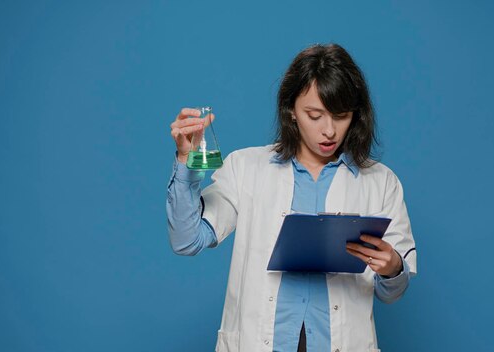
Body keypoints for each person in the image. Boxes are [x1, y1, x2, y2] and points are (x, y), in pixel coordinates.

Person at [166, 43, 417, 352]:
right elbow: (186, 239)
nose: (329, 131)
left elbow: (392, 292)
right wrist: (185, 162)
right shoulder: (246, 168)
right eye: (315, 115)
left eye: (341, 116)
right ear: (291, 111)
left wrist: (392, 266)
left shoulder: (381, 182)